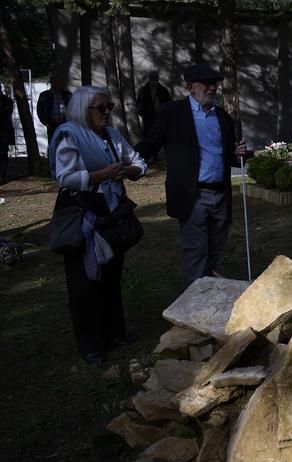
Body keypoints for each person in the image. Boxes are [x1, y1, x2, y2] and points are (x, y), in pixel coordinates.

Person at [48, 86, 147, 363]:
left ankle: (115, 332)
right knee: (84, 280)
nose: (106, 113)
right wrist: (100, 175)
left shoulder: (113, 135)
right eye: (100, 108)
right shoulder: (70, 135)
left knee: (112, 273)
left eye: (109, 107)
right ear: (84, 110)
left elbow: (139, 162)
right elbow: (64, 177)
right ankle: (91, 344)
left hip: (111, 210)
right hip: (83, 212)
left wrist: (128, 170)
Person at [135, 63, 247, 288]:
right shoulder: (173, 112)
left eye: (214, 84)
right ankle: (192, 306)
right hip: (192, 194)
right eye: (206, 84)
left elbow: (227, 155)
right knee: (196, 250)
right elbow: (151, 142)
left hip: (220, 195)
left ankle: (203, 289)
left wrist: (238, 154)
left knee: (217, 248)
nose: (212, 88)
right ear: (190, 87)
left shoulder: (223, 117)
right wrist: (133, 161)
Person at [37, 75, 73, 142]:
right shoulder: (44, 95)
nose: (57, 84)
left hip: (66, 125)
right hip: (52, 125)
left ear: (61, 83)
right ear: (51, 83)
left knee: (67, 144)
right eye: (55, 82)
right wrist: (46, 123)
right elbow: (39, 110)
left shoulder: (68, 95)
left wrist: (71, 123)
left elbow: (74, 109)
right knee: (53, 145)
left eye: (59, 82)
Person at [136, 71, 172, 136]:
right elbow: (139, 103)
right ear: (149, 78)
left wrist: (167, 114)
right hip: (148, 118)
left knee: (161, 135)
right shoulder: (144, 90)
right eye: (152, 77)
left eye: (155, 77)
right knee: (149, 135)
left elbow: (168, 103)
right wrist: (142, 114)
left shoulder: (163, 90)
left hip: (161, 116)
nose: (154, 79)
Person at [0, 85, 13, 184]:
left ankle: (2, 176)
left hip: (3, 133)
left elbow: (6, 114)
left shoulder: (7, 101)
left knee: (3, 155)